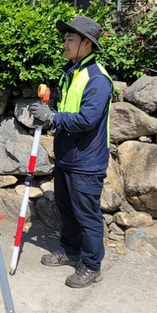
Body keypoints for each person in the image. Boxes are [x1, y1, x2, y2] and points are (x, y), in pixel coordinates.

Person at [30, 16, 113, 289]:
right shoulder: (72, 72)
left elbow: (87, 119)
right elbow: (66, 109)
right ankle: (70, 250)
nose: (65, 43)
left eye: (70, 39)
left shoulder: (97, 79)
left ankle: (91, 265)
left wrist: (53, 118)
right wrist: (48, 112)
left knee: (86, 215)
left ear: (87, 43)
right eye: (65, 38)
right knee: (67, 209)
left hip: (86, 161)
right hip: (68, 157)